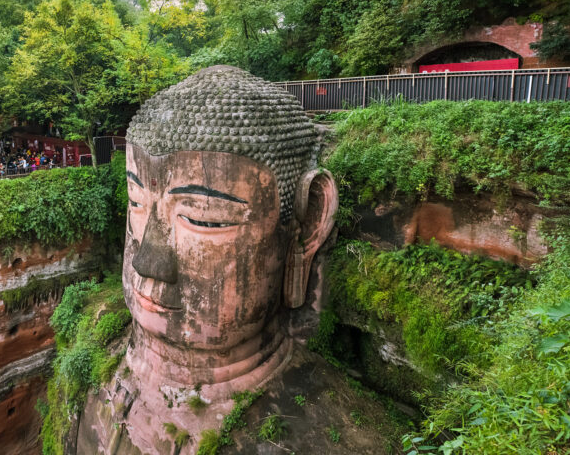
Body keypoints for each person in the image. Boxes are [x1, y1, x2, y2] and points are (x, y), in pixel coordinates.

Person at [70, 66, 384, 454]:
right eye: (136, 202)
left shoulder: (324, 439)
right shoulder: (92, 354)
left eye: (203, 217)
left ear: (308, 222)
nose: (146, 262)